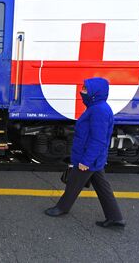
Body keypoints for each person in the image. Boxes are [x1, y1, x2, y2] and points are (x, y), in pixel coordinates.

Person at [45, 77, 125, 228]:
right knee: (102, 187)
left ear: (96, 92)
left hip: (89, 158)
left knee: (74, 183)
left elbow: (98, 140)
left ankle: (62, 208)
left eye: (85, 89)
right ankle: (115, 217)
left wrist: (86, 161)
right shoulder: (96, 107)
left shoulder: (99, 111)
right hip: (94, 158)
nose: (82, 91)